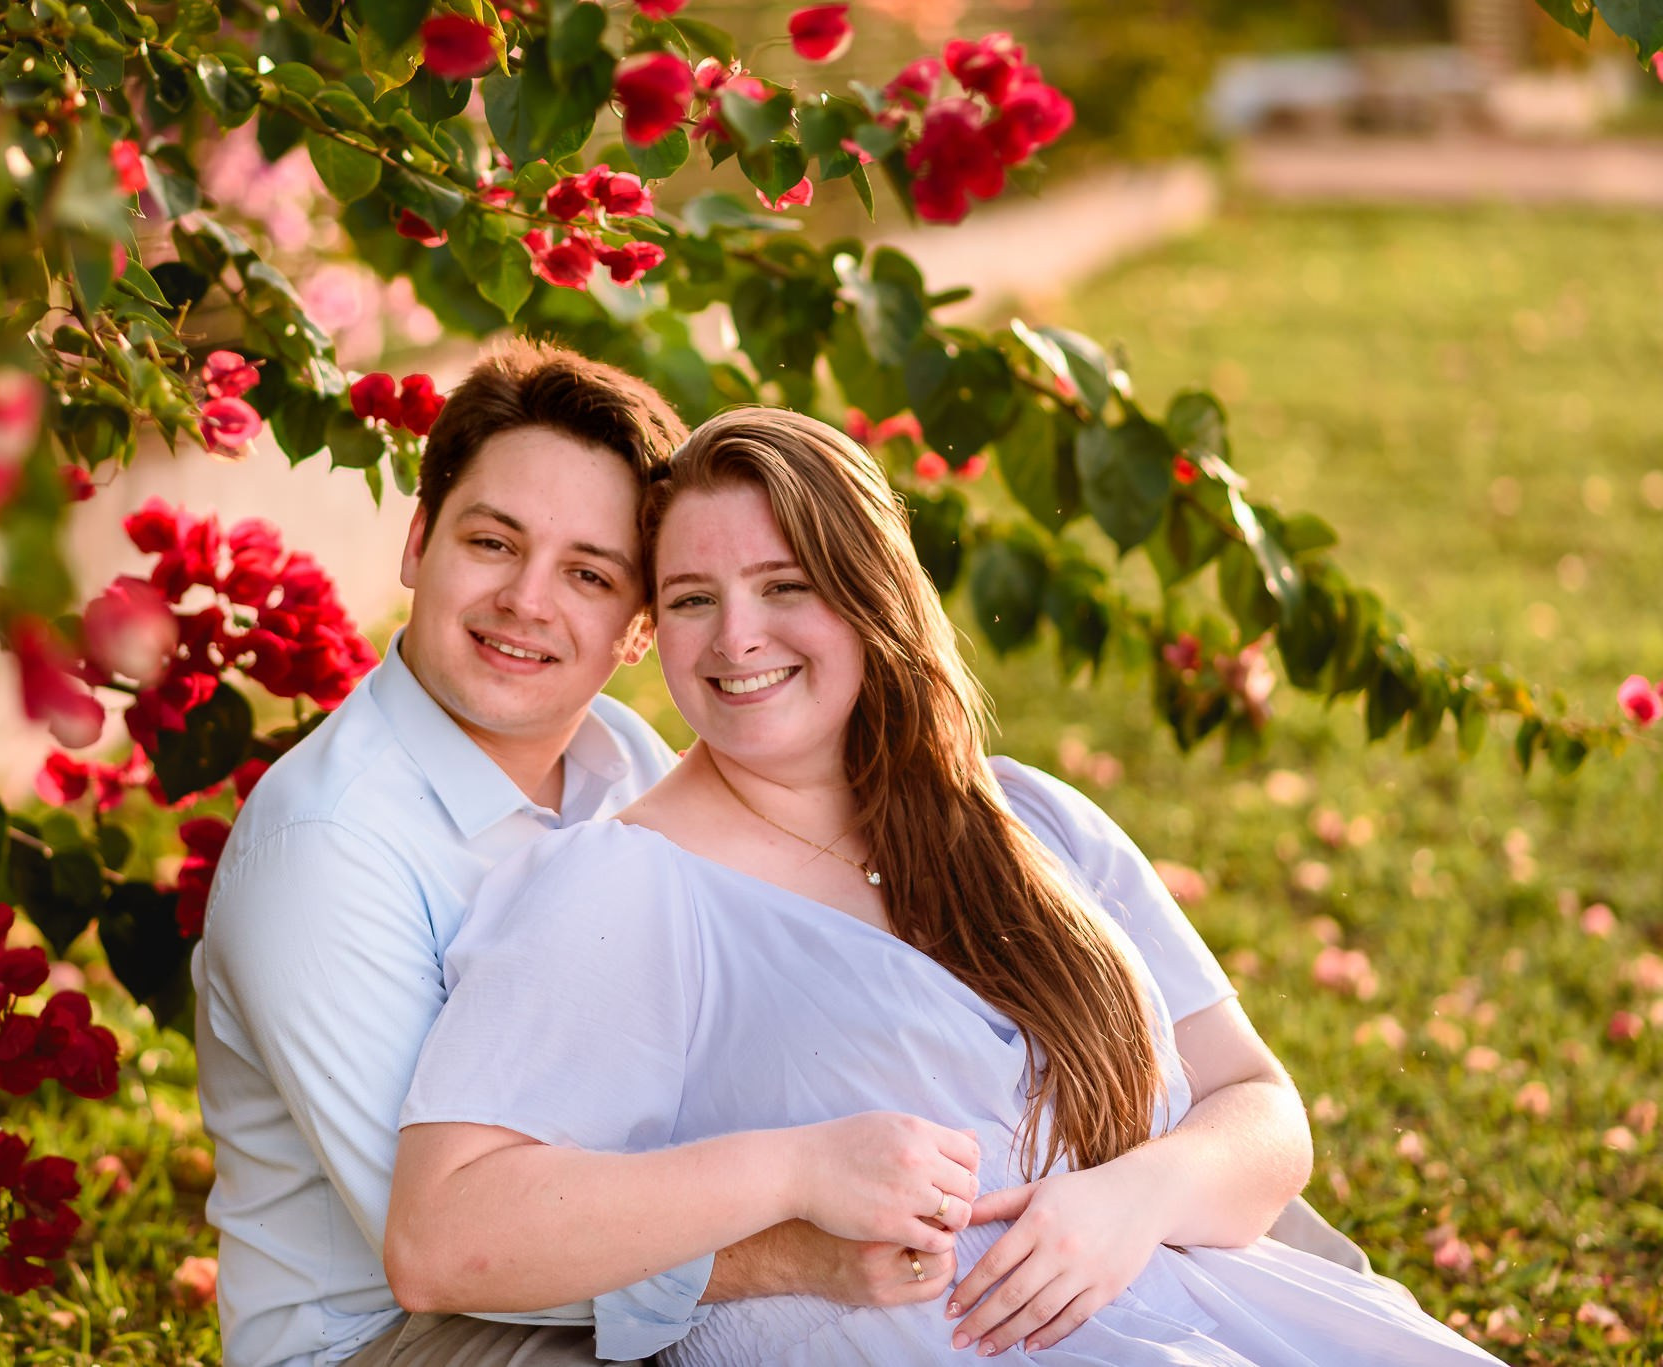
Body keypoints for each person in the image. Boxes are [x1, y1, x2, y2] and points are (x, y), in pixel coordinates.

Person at [387, 408, 1502, 1365]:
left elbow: (1259, 1107)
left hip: (1205, 1311)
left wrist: (1133, 1197)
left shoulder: (1025, 818)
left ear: (870, 593)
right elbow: (442, 1235)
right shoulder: (622, 884)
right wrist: (797, 1165)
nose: (735, 638)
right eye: (688, 598)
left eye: (785, 584)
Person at [193, 345, 984, 1367]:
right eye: (491, 541)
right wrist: (799, 1248)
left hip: (627, 1258)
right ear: (418, 539)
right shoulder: (328, 851)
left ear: (640, 624)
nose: (527, 599)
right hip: (409, 1337)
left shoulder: (633, 768)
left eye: (587, 572)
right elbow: (450, 1244)